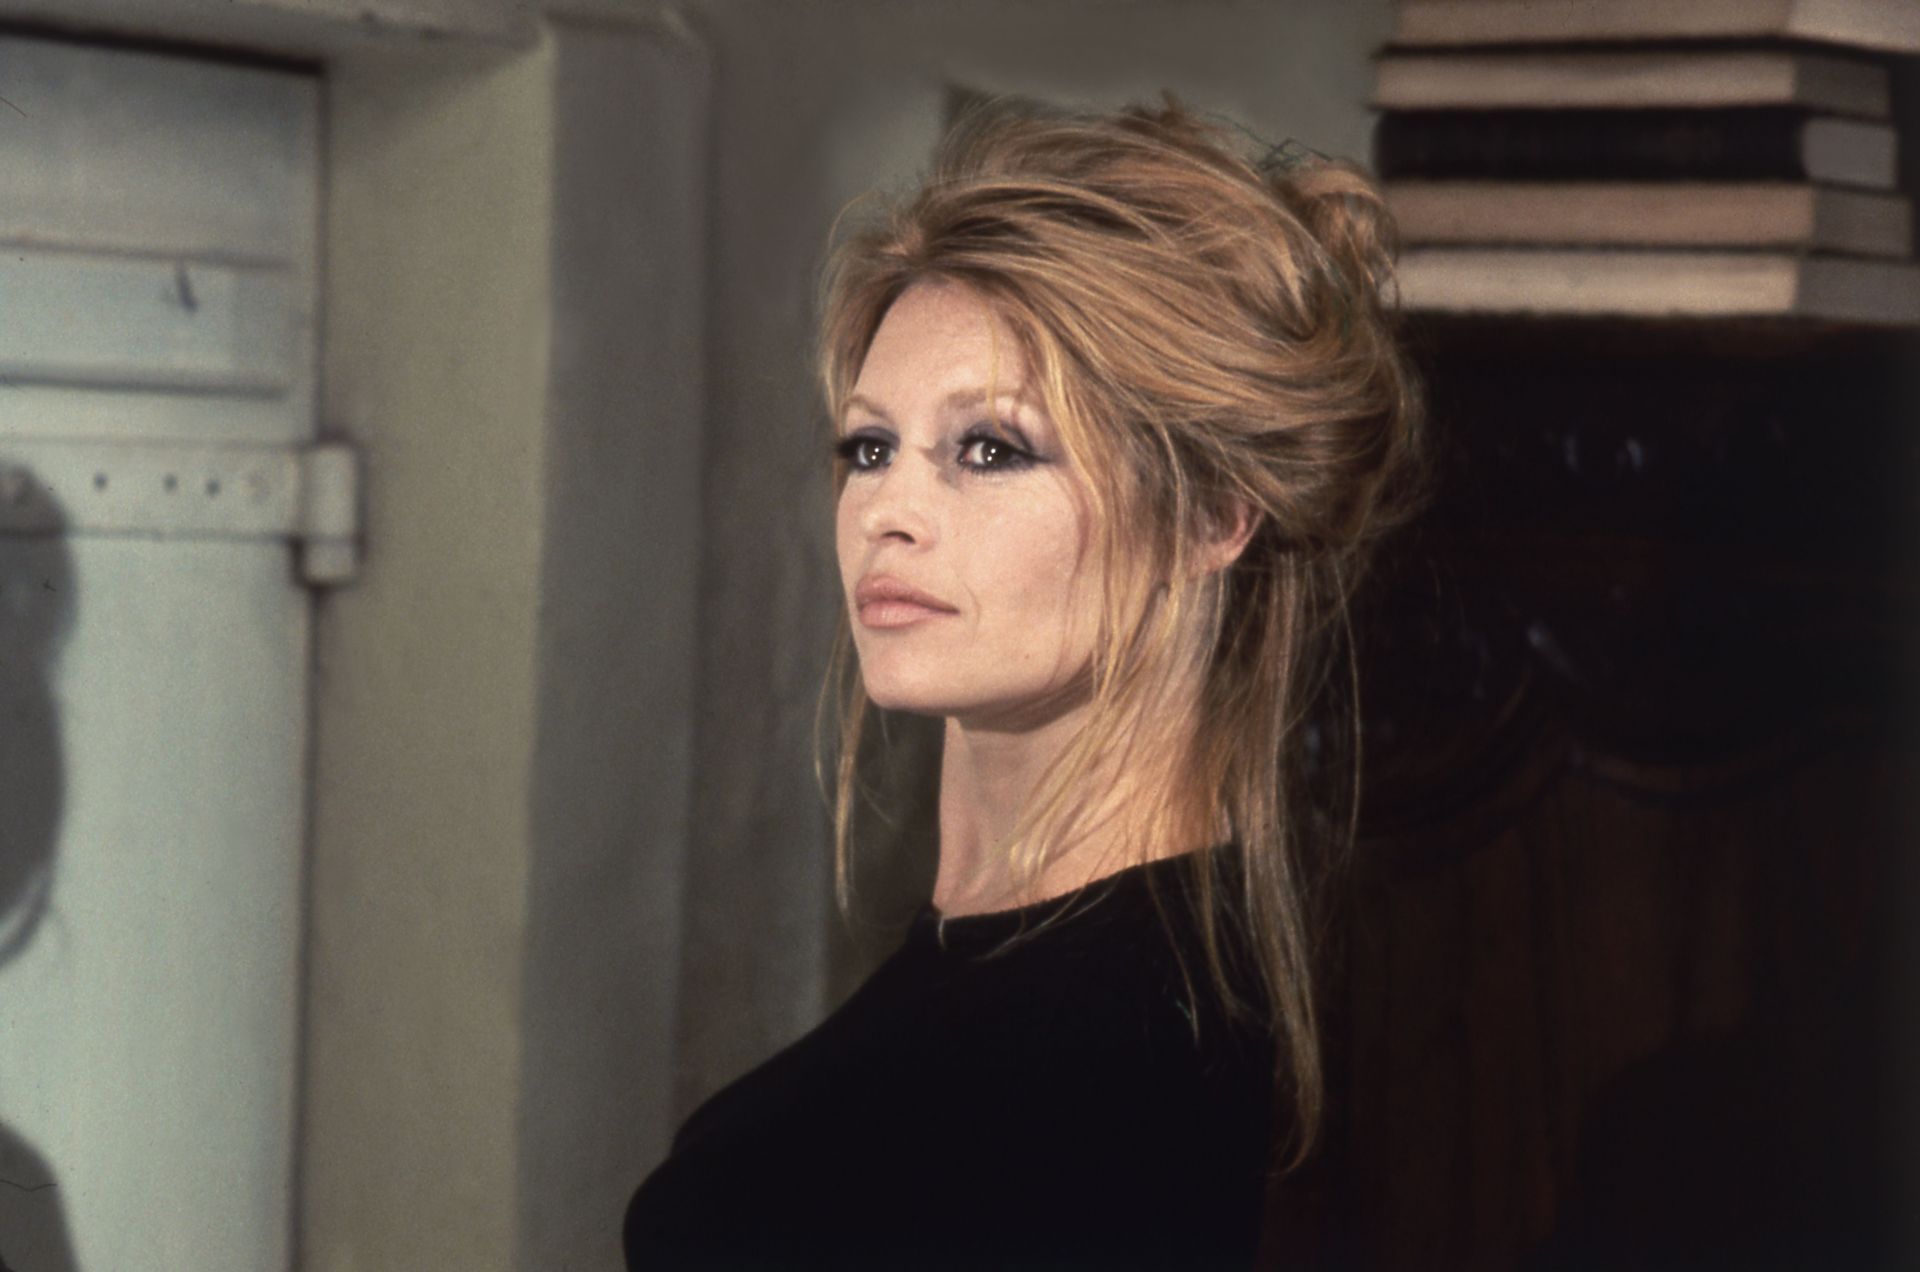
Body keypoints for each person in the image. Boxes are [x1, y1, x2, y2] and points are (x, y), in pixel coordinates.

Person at [624, 95, 1423, 1269]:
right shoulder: (1015, 966)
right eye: (870, 446)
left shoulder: (1112, 1057)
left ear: (1212, 516)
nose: (887, 511)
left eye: (990, 448)